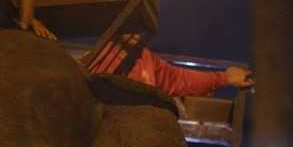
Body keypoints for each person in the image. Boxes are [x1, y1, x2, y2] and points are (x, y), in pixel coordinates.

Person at [86, 32, 254, 97]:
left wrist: (224, 78)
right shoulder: (96, 57)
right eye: (129, 22)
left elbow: (178, 79)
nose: (136, 30)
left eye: (140, 23)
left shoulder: (146, 58)